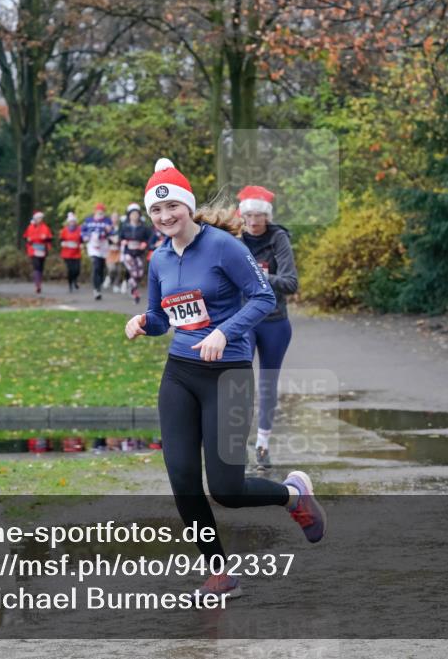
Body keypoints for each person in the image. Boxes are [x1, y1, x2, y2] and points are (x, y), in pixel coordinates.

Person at [124, 158, 326, 599]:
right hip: (180, 373)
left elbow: (263, 296)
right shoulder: (159, 258)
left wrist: (224, 331)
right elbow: (163, 318)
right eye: (156, 211)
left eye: (172, 207)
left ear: (187, 206)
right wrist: (144, 322)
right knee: (182, 480)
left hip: (228, 373)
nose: (163, 218)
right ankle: (220, 572)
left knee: (227, 489)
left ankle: (293, 495)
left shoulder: (223, 247)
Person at [239, 186, 298, 472]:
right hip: (244, 319)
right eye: (248, 215)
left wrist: (263, 277)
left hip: (275, 320)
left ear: (267, 216)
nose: (252, 221)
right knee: (238, 379)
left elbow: (291, 282)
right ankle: (236, 444)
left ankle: (262, 445)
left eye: (258, 215)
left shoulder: (278, 238)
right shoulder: (234, 238)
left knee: (267, 384)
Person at [120, 202, 153, 304]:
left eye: (136, 214)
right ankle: (135, 292)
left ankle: (131, 284)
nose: (134, 216)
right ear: (129, 215)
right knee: (134, 272)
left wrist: (145, 244)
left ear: (139, 215)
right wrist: (123, 241)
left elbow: (150, 239)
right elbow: (119, 237)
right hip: (128, 253)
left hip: (138, 253)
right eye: (132, 214)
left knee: (139, 274)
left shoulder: (144, 227)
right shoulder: (124, 227)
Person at [81, 203, 113, 300]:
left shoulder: (107, 220)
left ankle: (100, 283)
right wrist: (85, 237)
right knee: (96, 265)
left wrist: (109, 231)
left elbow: (111, 232)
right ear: (95, 211)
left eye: (102, 212)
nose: (100, 213)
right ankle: (96, 289)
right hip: (92, 245)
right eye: (99, 211)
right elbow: (83, 231)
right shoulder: (88, 220)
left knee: (101, 268)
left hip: (103, 246)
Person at [23, 211, 53, 294]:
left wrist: (45, 238)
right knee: (36, 267)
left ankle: (39, 281)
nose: (40, 220)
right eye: (39, 218)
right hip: (33, 250)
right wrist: (29, 240)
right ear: (35, 219)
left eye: (41, 218)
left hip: (42, 250)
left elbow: (50, 238)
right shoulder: (30, 227)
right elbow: (25, 237)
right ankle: (37, 285)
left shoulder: (45, 227)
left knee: (41, 267)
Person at [59, 212, 82, 293]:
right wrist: (64, 243)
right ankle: (70, 284)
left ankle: (75, 279)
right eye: (71, 222)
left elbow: (81, 239)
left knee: (77, 270)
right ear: (68, 222)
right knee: (70, 269)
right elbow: (61, 240)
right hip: (67, 253)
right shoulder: (64, 230)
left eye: (73, 221)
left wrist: (81, 244)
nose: (72, 223)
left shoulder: (79, 229)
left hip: (76, 253)